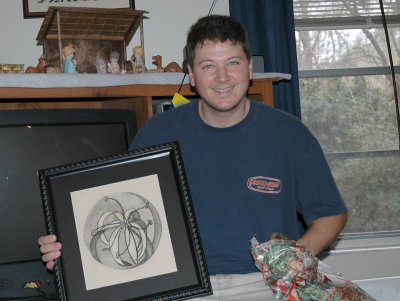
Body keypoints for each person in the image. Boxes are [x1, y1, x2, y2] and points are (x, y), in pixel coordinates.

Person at [38, 15, 347, 300]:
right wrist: (68, 248)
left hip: (265, 285)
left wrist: (294, 258)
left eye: (233, 63)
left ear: (250, 69)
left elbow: (331, 214)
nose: (222, 77)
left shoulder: (289, 133)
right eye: (208, 65)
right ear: (192, 76)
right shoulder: (156, 134)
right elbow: (120, 210)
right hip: (178, 287)